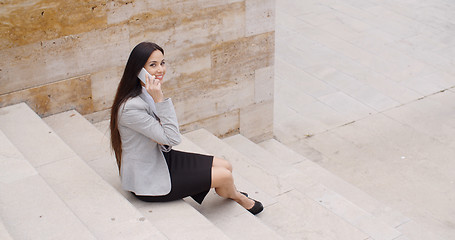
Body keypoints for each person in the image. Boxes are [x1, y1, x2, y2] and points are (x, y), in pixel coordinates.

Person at [110, 42, 263, 215]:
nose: (160, 69)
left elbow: (166, 135)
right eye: (153, 65)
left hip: (163, 156)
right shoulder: (131, 107)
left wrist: (161, 130)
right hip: (149, 177)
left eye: (162, 63)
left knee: (226, 166)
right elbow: (173, 138)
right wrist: (160, 101)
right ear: (138, 69)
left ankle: (226, 189)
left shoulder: (146, 91)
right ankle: (236, 196)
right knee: (225, 176)